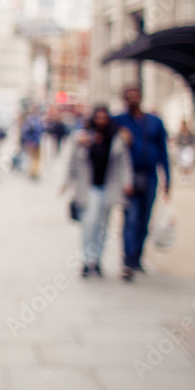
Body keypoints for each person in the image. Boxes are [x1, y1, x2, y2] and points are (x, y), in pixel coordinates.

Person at [64, 106, 133, 277]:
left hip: (108, 187)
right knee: (89, 223)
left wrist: (127, 182)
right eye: (98, 117)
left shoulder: (115, 138)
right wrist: (67, 181)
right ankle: (86, 260)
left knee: (103, 226)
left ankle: (97, 260)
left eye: (104, 117)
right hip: (89, 188)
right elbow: (72, 160)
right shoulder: (83, 137)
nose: (101, 121)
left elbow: (124, 162)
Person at [112, 86, 170, 281]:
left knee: (144, 221)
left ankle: (137, 258)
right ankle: (127, 260)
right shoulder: (118, 121)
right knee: (130, 219)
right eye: (129, 96)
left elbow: (163, 151)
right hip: (128, 178)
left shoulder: (154, 122)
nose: (132, 99)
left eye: (135, 96)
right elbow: (97, 128)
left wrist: (168, 180)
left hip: (150, 176)